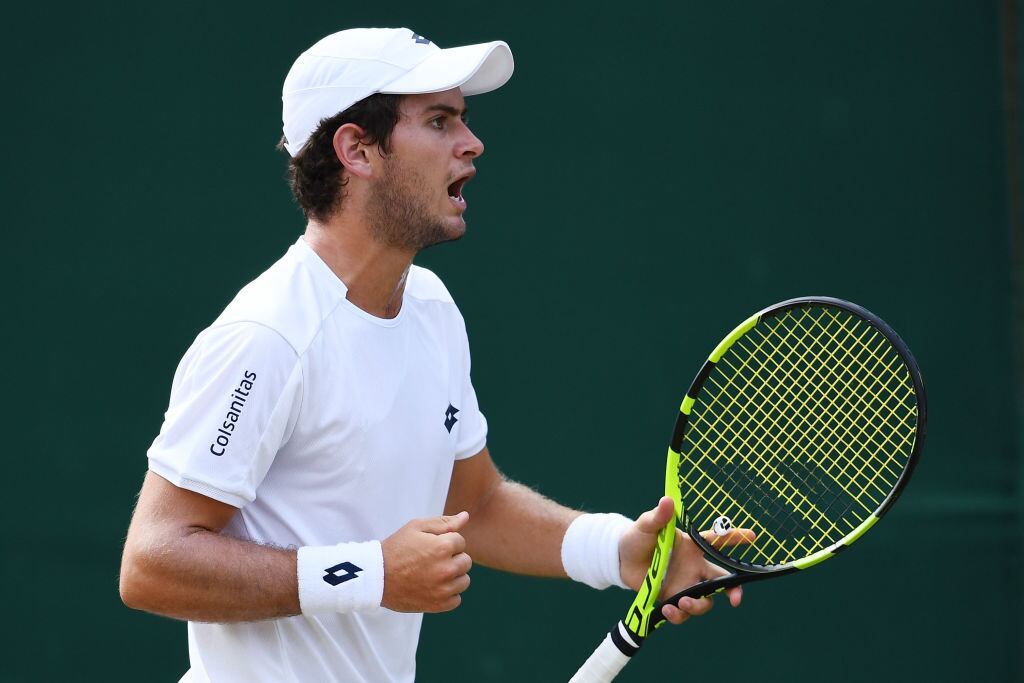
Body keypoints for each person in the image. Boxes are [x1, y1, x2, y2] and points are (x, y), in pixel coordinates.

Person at [119, 27, 745, 683]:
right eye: (440, 121)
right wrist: (372, 573)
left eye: (463, 121)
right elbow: (153, 561)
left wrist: (619, 551)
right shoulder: (268, 336)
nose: (472, 144)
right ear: (357, 149)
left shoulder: (432, 308)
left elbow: (474, 498)